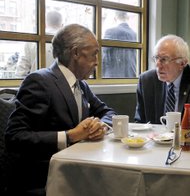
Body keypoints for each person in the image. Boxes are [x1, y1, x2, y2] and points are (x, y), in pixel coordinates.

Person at [5, 24, 116, 195]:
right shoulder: (39, 81)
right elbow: (15, 136)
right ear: (76, 53)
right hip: (46, 178)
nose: (97, 61)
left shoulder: (81, 85)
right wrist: (70, 136)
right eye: (94, 53)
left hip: (78, 170)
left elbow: (108, 112)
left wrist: (100, 125)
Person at [134, 34, 190, 124]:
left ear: (182, 63)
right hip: (153, 137)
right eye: (156, 58)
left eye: (164, 59)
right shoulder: (146, 81)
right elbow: (140, 122)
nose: (158, 65)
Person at [15, 10, 63, 77]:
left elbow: (21, 72)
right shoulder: (67, 42)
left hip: (36, 85)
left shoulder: (32, 41)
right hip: (62, 85)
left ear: (44, 24)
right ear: (62, 25)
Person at [102, 11, 137, 78]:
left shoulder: (110, 31)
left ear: (115, 18)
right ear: (127, 17)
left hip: (112, 77)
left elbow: (104, 56)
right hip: (131, 75)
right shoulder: (134, 34)